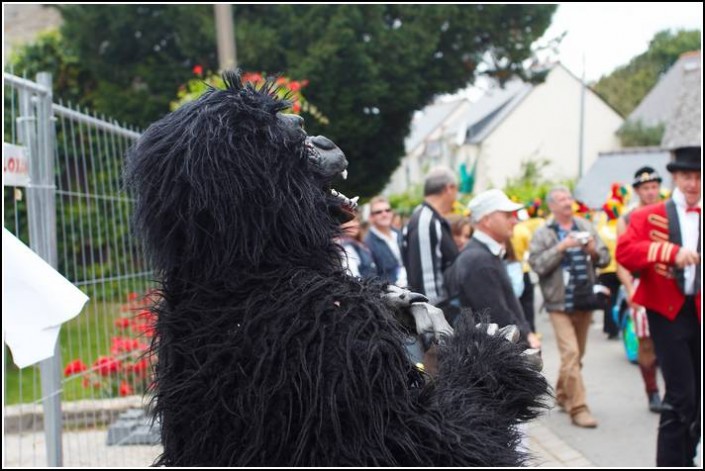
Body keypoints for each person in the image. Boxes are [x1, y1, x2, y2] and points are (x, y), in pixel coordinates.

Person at [616, 148, 701, 466]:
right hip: (668, 312)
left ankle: (687, 456)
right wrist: (667, 251)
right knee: (681, 395)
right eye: (686, 177)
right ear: (675, 178)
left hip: (699, 310)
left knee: (699, 398)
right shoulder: (645, 216)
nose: (693, 184)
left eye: (698, 177)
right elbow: (624, 252)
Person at [529, 186, 610, 428]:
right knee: (571, 354)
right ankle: (579, 408)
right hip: (558, 304)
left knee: (576, 357)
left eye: (569, 198)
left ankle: (563, 395)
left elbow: (605, 258)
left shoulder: (585, 226)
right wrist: (561, 248)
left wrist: (593, 250)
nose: (567, 202)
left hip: (584, 301)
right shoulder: (543, 233)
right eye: (561, 199)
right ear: (552, 206)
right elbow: (537, 265)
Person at [445, 189, 540, 348]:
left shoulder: (484, 254)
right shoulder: (478, 260)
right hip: (493, 359)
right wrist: (526, 340)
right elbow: (498, 318)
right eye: (507, 216)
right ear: (487, 220)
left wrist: (527, 332)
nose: (514, 221)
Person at [615, 166, 665, 413]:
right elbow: (621, 261)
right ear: (637, 191)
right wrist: (629, 290)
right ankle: (652, 392)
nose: (651, 192)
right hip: (640, 282)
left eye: (654, 187)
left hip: (667, 281)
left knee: (672, 338)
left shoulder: (668, 213)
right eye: (646, 188)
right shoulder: (627, 219)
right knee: (646, 340)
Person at [402, 166, 459, 307]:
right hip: (437, 314)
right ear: (449, 188)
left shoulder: (429, 218)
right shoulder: (425, 221)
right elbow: (427, 284)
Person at [364, 196, 407, 286]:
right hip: (392, 294)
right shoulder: (367, 243)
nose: (384, 214)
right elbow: (371, 278)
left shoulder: (400, 234)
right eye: (378, 212)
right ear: (371, 217)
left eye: (387, 210)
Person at [339, 212, 377, 279]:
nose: (353, 224)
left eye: (356, 220)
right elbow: (353, 278)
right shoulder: (347, 248)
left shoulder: (359, 243)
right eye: (348, 221)